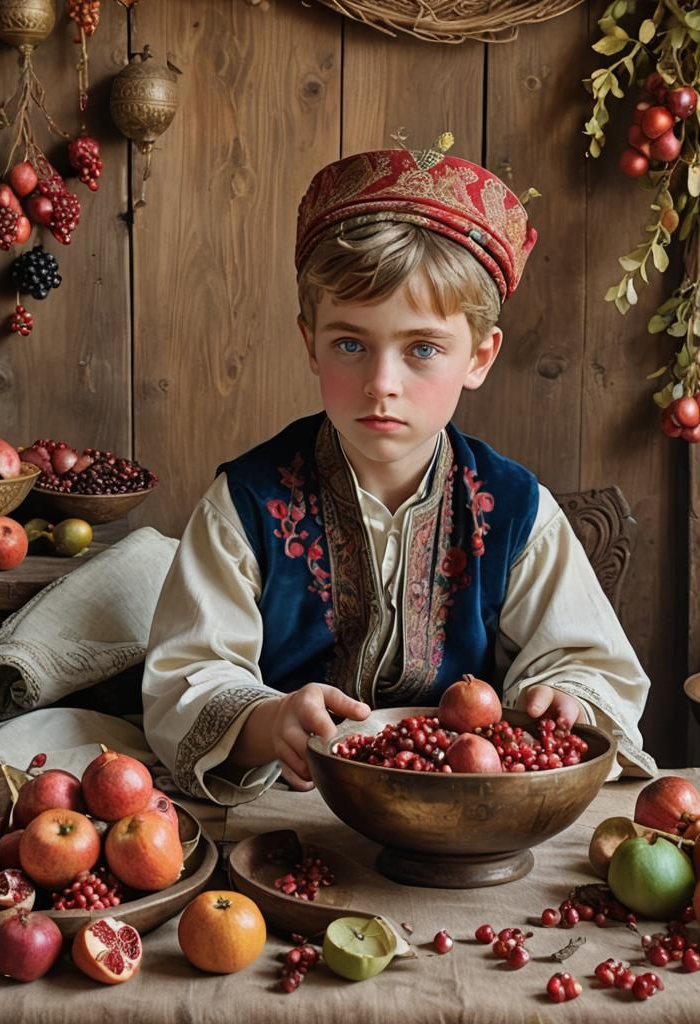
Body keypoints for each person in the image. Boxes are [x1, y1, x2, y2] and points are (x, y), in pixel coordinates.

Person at [142, 136, 657, 804]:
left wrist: (569, 702)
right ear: (309, 342)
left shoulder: (512, 507)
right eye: (350, 344)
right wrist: (269, 722)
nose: (381, 383)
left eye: (422, 349)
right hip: (290, 805)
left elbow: (590, 663)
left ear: (479, 356)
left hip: (464, 805)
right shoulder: (246, 502)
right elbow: (190, 673)